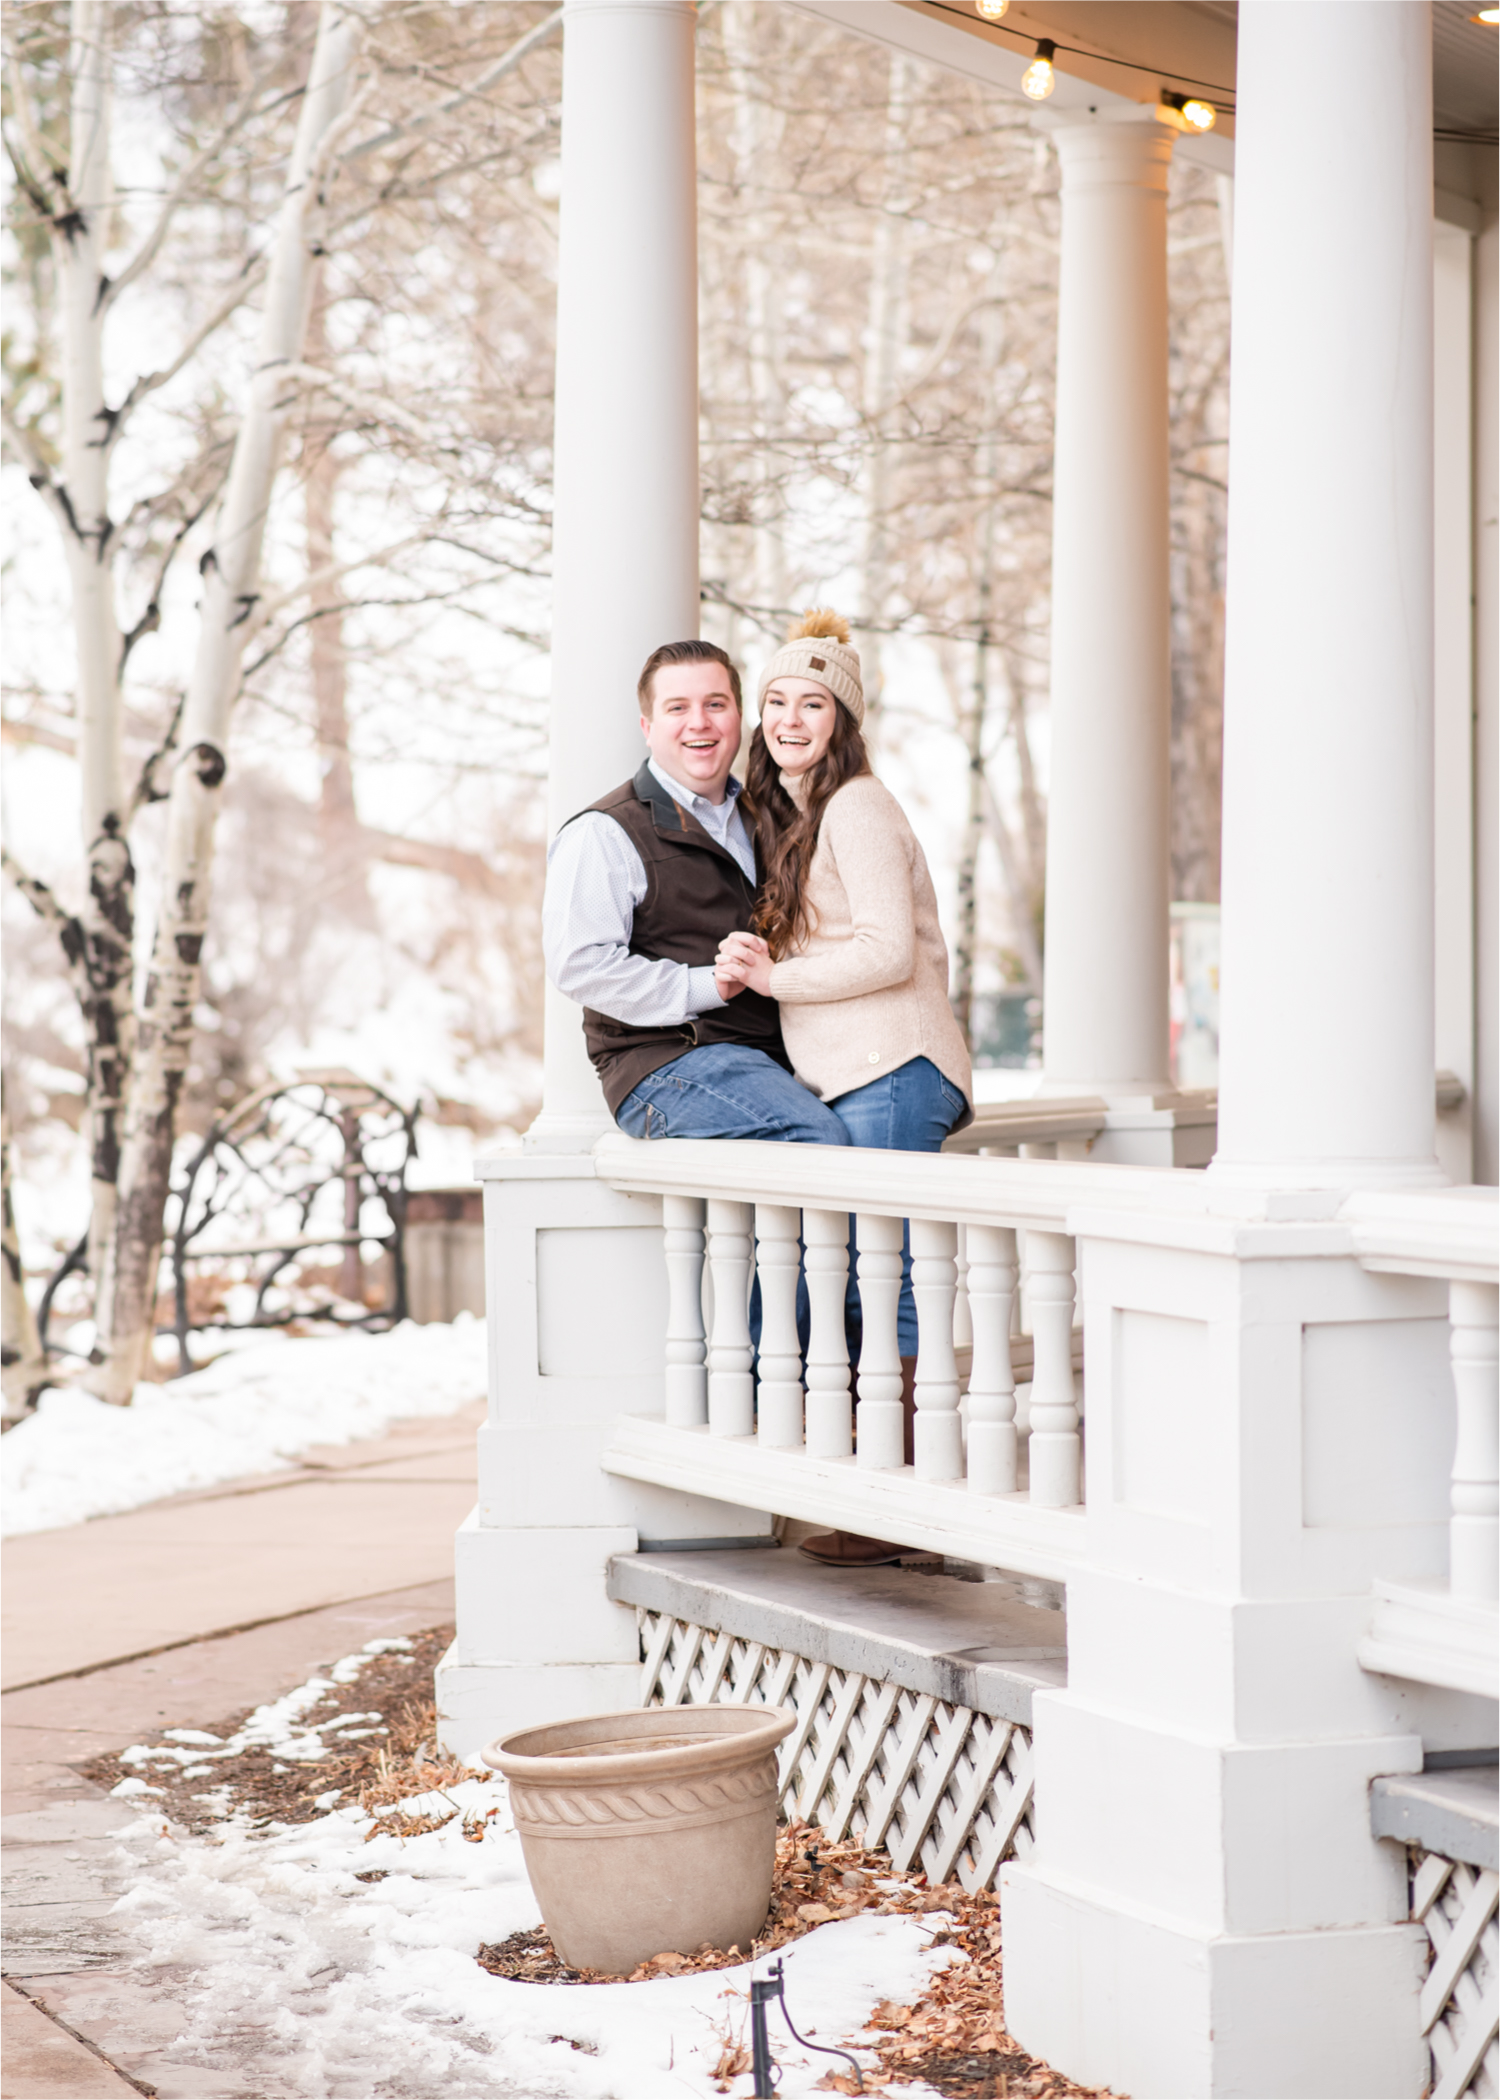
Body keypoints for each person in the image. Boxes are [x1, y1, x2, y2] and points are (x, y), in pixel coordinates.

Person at [716, 611, 973, 1565]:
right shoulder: (788, 814)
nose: (790, 718)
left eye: (811, 703)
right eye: (776, 701)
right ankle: (883, 1503)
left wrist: (774, 979)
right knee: (863, 1280)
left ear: (841, 720)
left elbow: (885, 949)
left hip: (893, 1069)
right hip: (847, 1077)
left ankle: (899, 1516)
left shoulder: (859, 804)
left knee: (889, 1280)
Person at [543, 638, 852, 1151]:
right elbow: (580, 964)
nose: (700, 723)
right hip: (665, 1062)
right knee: (816, 1136)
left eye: (715, 704)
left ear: (737, 717)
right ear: (648, 728)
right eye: (677, 708)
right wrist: (708, 985)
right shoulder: (605, 832)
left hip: (773, 1056)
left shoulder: (770, 818)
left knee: (879, 1125)